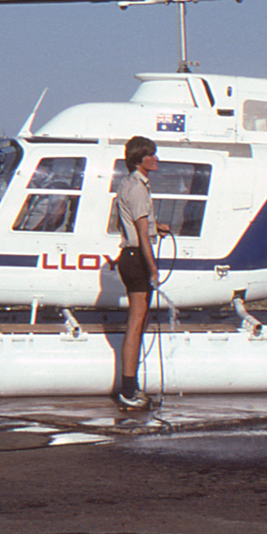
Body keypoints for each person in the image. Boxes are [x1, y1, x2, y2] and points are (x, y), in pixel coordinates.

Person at [113, 135, 168, 409]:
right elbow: (142, 235)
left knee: (140, 321)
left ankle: (130, 386)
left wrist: (159, 227)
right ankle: (128, 390)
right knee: (136, 324)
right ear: (139, 159)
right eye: (151, 155)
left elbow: (140, 227)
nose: (156, 159)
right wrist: (153, 267)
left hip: (130, 256)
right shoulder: (138, 189)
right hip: (136, 257)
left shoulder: (129, 184)